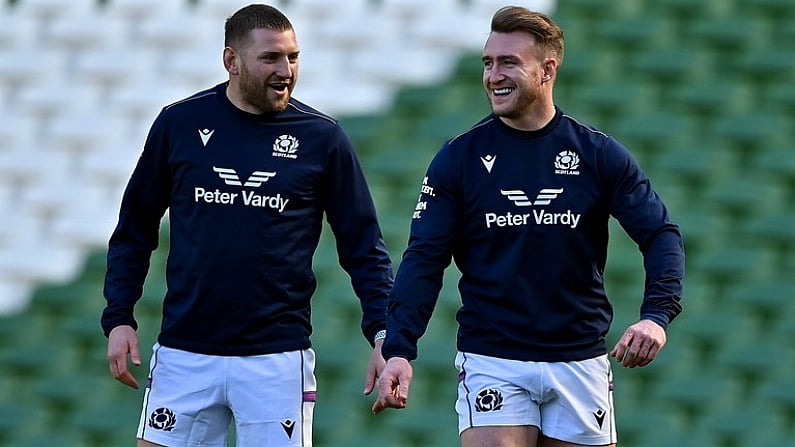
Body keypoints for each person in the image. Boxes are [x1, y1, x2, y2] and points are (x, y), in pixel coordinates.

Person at [372, 6, 684, 447]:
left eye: (508, 63)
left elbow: (660, 235)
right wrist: (400, 347)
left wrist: (656, 317)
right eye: (487, 63)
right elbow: (424, 258)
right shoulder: (459, 158)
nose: (493, 75)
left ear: (547, 69)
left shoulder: (597, 154)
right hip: (493, 355)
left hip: (579, 357)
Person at [101, 4, 394, 446]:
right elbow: (134, 228)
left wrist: (383, 331)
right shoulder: (180, 124)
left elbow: (363, 246)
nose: (286, 70)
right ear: (231, 61)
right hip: (185, 351)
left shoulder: (321, 137)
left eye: (293, 57)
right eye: (271, 58)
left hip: (276, 359)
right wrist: (119, 316)